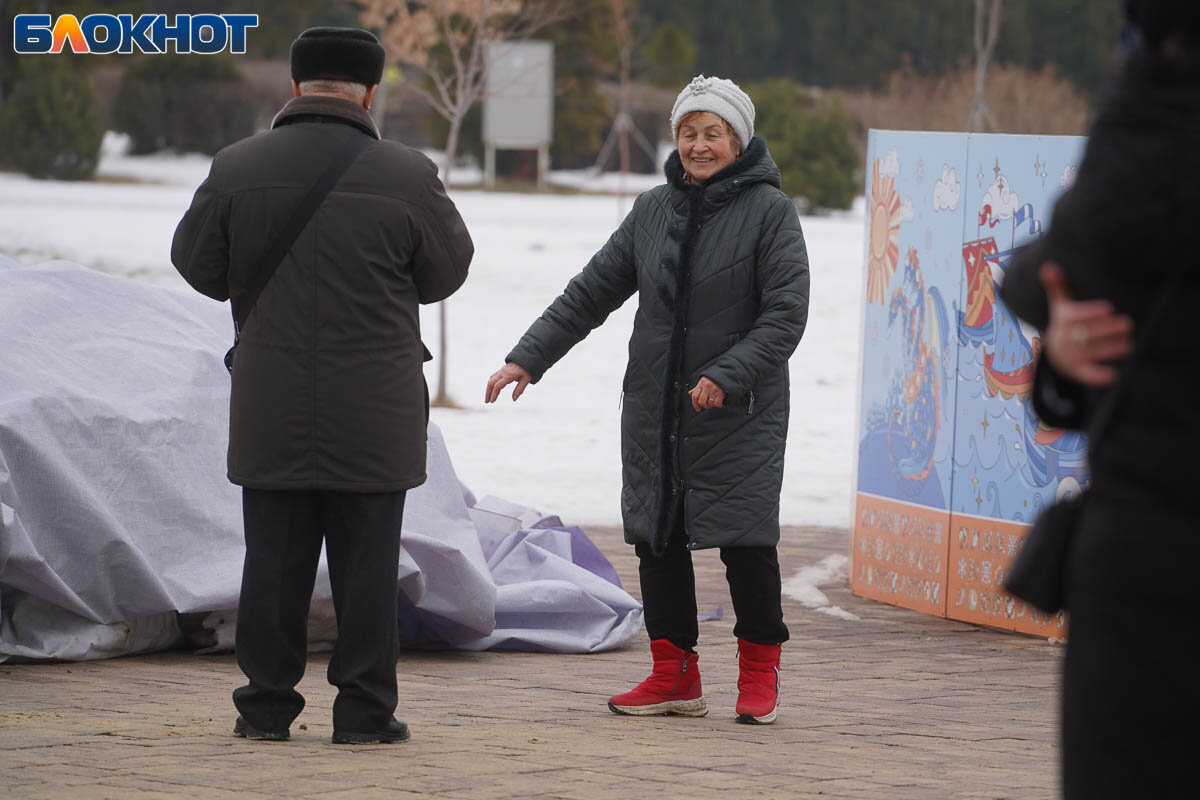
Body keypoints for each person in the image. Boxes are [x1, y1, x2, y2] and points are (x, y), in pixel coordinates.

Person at [171, 27, 473, 744]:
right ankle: (366, 713)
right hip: (375, 408)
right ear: (371, 92)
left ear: (295, 87)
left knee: (272, 563)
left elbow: (198, 267)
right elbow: (446, 273)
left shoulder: (236, 167)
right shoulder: (408, 174)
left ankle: (266, 708)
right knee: (368, 567)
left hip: (271, 403)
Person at [486, 75, 808, 724]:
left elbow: (785, 315)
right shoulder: (652, 211)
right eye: (688, 133)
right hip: (658, 408)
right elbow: (590, 293)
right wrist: (529, 355)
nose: (698, 145)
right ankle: (674, 675)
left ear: (738, 140)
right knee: (656, 535)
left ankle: (758, 670)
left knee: (745, 542)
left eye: (712, 133)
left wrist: (729, 372)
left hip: (738, 411)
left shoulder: (770, 213)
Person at [998, 1, 1199, 795]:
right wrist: (1067, 356)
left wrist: (1061, 332)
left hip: (1140, 560)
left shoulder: (1145, 132)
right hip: (1146, 557)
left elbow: (1036, 273)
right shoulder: (1149, 137)